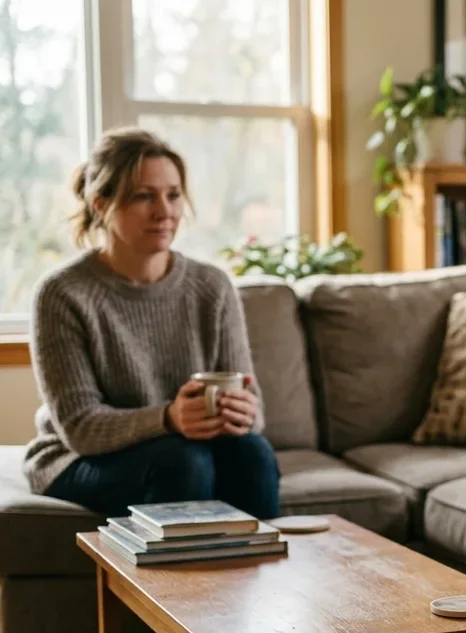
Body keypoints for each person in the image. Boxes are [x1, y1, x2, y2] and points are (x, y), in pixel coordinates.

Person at [22, 127, 280, 520]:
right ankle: (176, 584)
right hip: (78, 459)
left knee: (254, 454)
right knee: (182, 461)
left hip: (187, 450)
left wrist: (241, 412)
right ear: (101, 203)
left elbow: (255, 414)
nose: (165, 211)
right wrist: (168, 418)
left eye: (173, 195)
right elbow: (81, 428)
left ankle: (261, 581)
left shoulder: (211, 286)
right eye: (144, 196)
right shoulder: (62, 294)